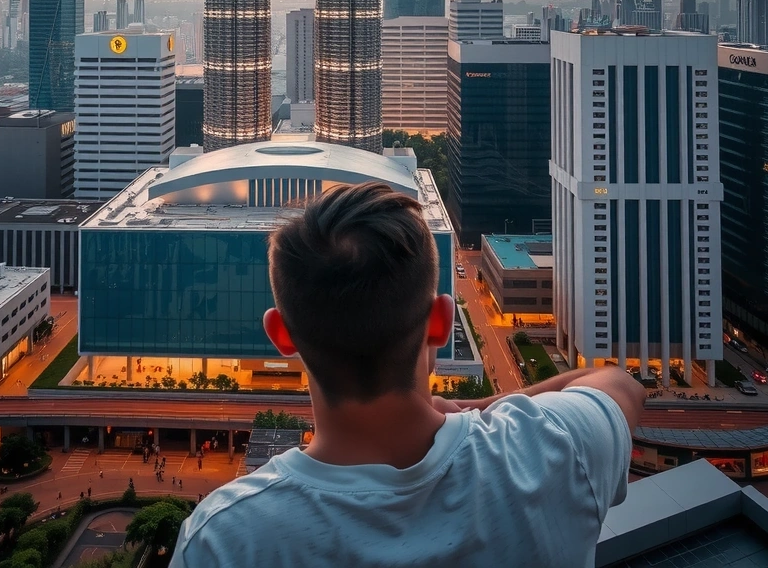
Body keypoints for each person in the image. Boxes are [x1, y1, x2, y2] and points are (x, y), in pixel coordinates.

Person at [170, 182, 644, 568]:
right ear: (440, 321)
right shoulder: (552, 450)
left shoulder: (226, 540)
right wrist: (479, 409)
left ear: (281, 335)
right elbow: (619, 385)